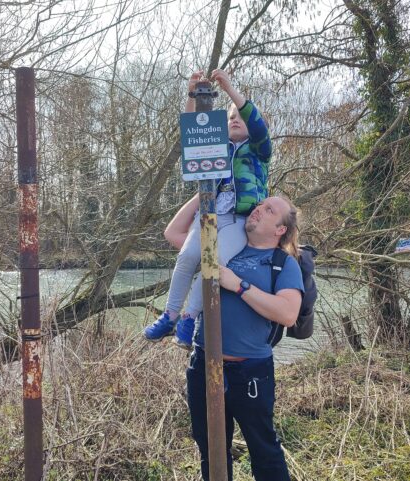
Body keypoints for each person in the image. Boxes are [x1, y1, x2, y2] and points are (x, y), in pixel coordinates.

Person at [144, 68, 272, 349]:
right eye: (230, 118)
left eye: (240, 116)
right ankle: (170, 315)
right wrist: (192, 93)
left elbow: (256, 123)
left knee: (213, 264)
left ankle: (190, 318)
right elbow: (193, 129)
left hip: (238, 219)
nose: (235, 119)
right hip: (210, 213)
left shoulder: (259, 150)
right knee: (188, 256)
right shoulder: (217, 147)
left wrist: (229, 90)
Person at [187, 196, 303, 481]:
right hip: (204, 366)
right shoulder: (224, 248)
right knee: (210, 448)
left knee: (263, 449)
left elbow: (288, 313)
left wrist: (237, 285)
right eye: (260, 205)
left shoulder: (282, 264)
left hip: (250, 372)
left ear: (280, 230)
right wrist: (204, 189)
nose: (258, 210)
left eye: (269, 210)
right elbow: (174, 235)